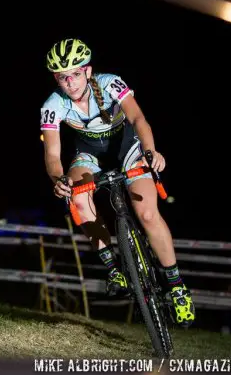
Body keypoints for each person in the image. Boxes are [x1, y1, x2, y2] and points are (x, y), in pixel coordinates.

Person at [39, 38, 195, 327]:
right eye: (62, 77)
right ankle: (113, 268)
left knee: (147, 213)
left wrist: (151, 151)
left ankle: (177, 287)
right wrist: (58, 178)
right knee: (76, 197)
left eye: (75, 74)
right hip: (90, 155)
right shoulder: (53, 105)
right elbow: (52, 154)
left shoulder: (110, 84)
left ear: (88, 72)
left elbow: (137, 117)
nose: (70, 83)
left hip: (127, 148)